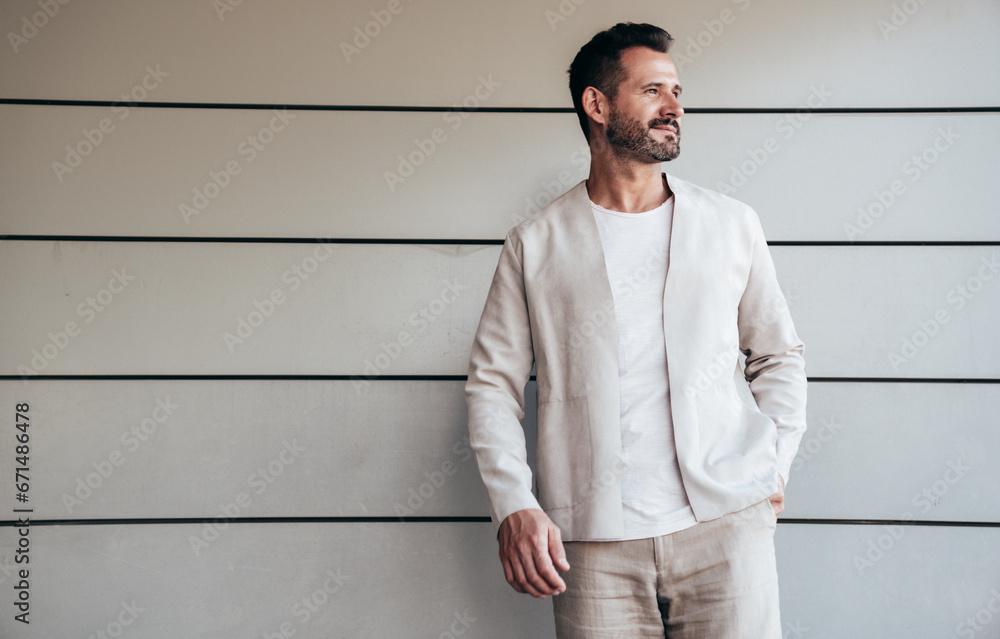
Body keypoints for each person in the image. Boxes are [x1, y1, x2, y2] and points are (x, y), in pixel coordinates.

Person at [465, 22, 807, 638]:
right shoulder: (536, 243)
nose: (674, 107)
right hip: (594, 548)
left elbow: (778, 355)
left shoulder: (730, 225)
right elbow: (492, 385)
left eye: (676, 91)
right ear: (597, 105)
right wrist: (514, 503)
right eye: (653, 90)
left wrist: (775, 465)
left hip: (725, 529)